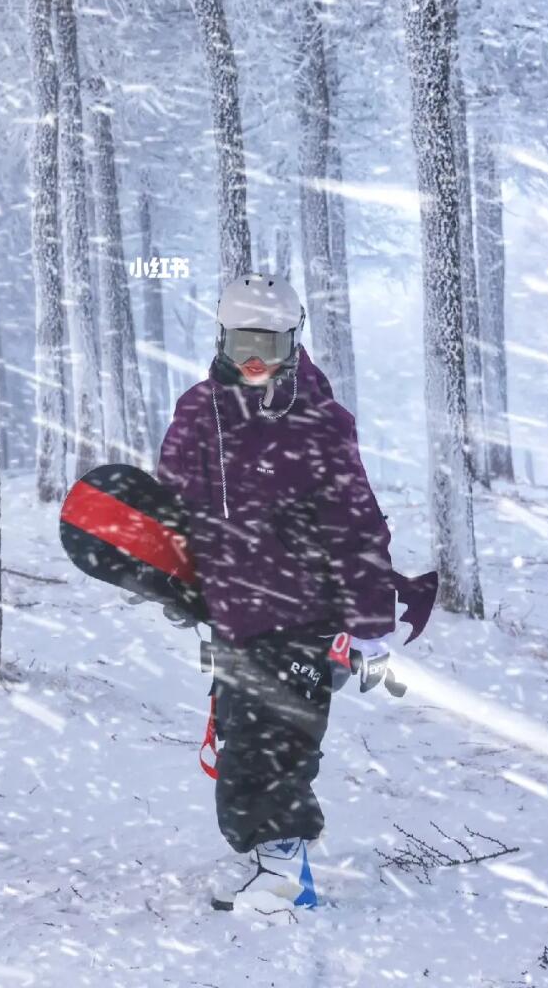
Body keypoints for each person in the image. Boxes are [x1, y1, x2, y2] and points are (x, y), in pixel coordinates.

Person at [154, 271, 397, 913]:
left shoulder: (321, 421)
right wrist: (171, 579)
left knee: (277, 745)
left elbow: (356, 523)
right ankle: (275, 866)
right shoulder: (197, 412)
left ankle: (287, 883)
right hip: (233, 616)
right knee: (242, 738)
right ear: (221, 337)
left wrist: (370, 620)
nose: (254, 359)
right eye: (240, 343)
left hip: (307, 617)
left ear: (294, 339)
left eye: (268, 342)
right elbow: (174, 508)